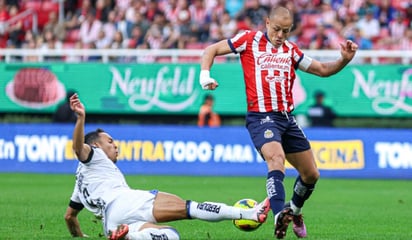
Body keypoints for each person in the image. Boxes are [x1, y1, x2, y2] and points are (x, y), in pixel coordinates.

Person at [199, 6, 358, 239]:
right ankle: (278, 214)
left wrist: (343, 60)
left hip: (286, 119)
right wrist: (205, 75)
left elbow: (323, 70)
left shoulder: (291, 51)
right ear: (266, 23)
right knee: (276, 159)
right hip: (261, 117)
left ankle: (294, 210)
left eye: (286, 31)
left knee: (311, 174)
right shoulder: (248, 40)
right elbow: (211, 49)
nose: (280, 35)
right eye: (276, 30)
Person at [64, 93, 270, 240]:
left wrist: (80, 236)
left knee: (170, 235)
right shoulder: (94, 155)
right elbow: (78, 149)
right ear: (95, 145)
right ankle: (249, 213)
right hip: (125, 202)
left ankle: (131, 237)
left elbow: (69, 217)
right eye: (110, 142)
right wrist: (81, 118)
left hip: (112, 224)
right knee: (191, 208)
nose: (115, 146)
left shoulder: (81, 181)